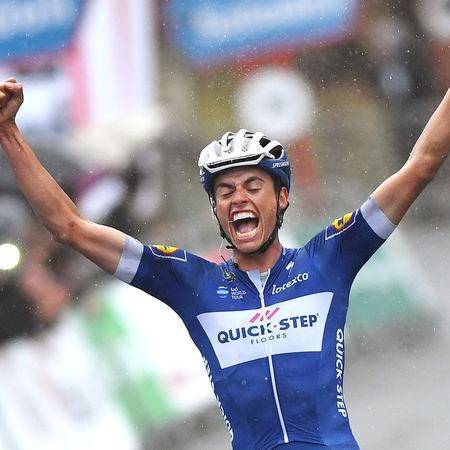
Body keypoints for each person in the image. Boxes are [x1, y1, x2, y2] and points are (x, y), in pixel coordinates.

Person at [0, 77, 449, 450]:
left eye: (253, 185)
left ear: (283, 197)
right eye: (225, 192)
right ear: (216, 209)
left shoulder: (328, 259)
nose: (238, 199)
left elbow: (422, 163)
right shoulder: (191, 281)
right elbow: (70, 227)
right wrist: (8, 131)